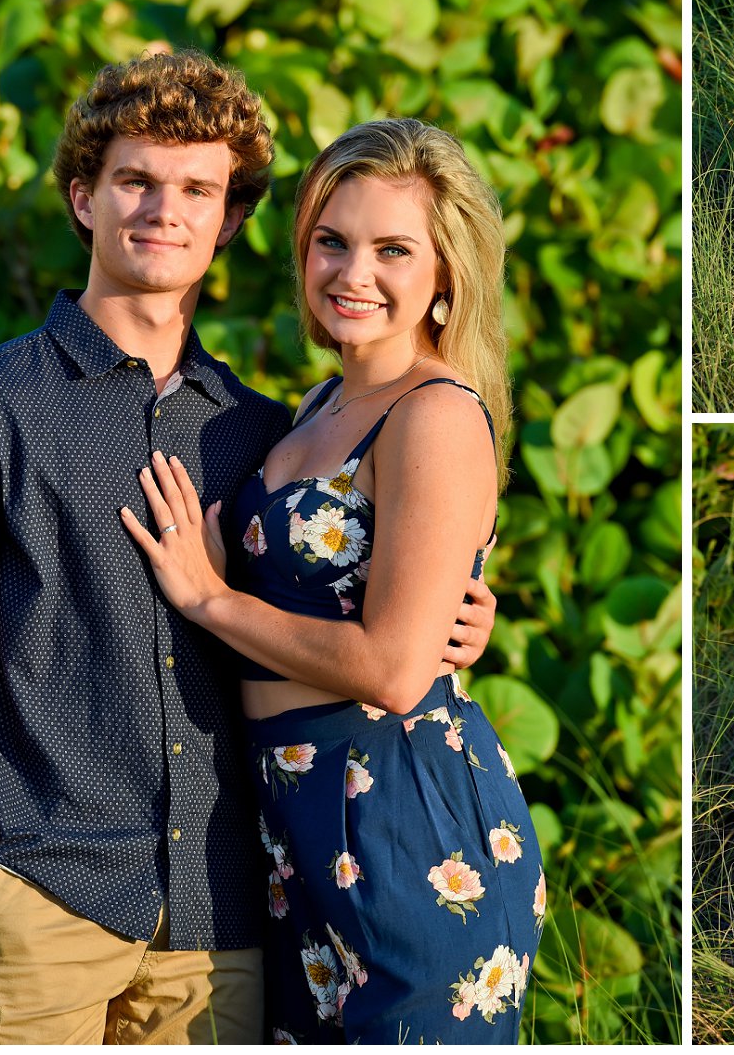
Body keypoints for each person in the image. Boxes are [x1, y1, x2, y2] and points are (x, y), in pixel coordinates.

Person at [0, 50, 496, 1043]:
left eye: (198, 188)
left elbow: (352, 593)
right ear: (84, 197)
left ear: (233, 218)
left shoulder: (258, 433)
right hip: (44, 896)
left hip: (227, 914)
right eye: (135, 181)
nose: (165, 210)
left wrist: (461, 612)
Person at [121, 118, 542, 1042]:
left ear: (447, 273)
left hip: (401, 821)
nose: (354, 274)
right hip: (296, 828)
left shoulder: (434, 415)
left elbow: (394, 671)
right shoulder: (317, 407)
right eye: (332, 241)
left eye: (394, 249)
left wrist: (209, 599)